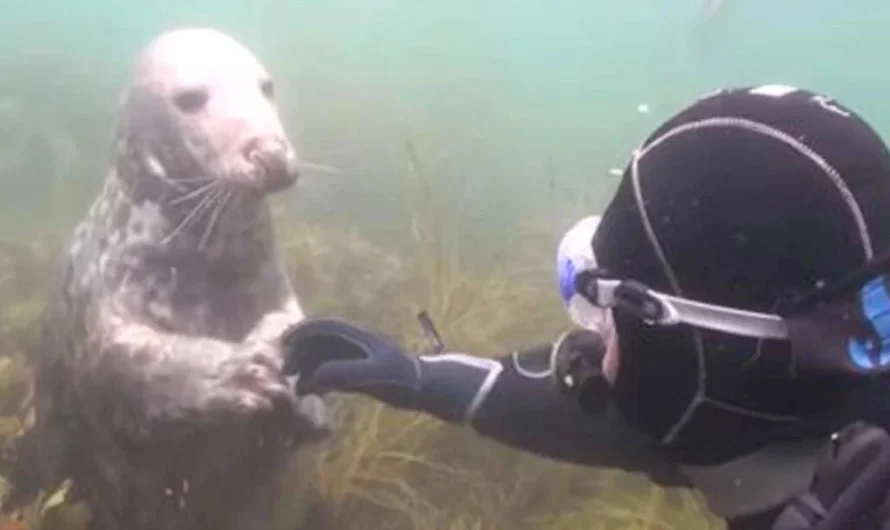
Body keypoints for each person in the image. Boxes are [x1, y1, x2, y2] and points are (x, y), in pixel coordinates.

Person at [281, 85, 890, 529]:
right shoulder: (805, 403)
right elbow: (636, 414)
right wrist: (423, 379)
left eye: (609, 305)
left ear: (711, 354)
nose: (595, 345)